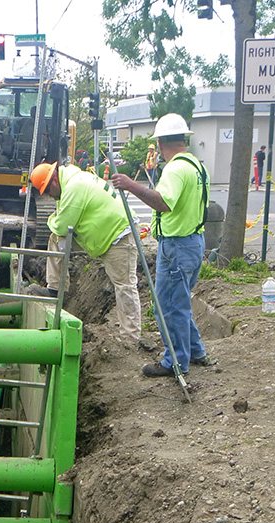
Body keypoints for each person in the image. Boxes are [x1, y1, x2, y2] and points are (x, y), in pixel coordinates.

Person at [109, 113, 214, 378]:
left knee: (167, 306)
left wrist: (130, 185)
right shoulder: (197, 166)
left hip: (178, 246)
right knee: (179, 302)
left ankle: (175, 362)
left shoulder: (176, 169)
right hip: (193, 242)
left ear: (163, 144)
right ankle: (195, 350)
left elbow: (163, 202)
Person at [29, 158, 143, 343]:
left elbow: (61, 225)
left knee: (124, 285)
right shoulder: (70, 183)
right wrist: (56, 223)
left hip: (118, 235)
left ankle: (130, 337)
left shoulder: (74, 186)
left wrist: (53, 221)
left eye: (47, 190)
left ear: (54, 180)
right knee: (55, 240)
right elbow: (59, 228)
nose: (49, 196)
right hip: (104, 233)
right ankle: (56, 289)